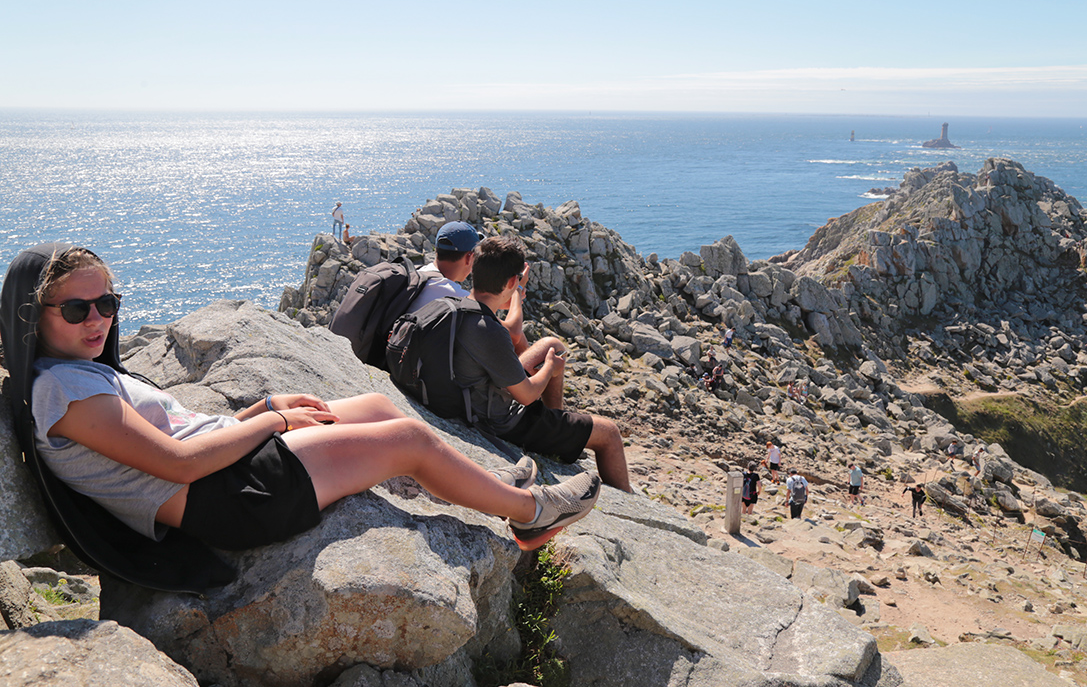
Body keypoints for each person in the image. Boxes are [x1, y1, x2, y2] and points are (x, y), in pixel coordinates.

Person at [0, 245, 601, 585]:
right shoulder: (62, 392)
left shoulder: (75, 375)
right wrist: (274, 423)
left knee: (374, 406)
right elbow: (178, 464)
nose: (97, 320)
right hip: (231, 497)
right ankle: (528, 514)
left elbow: (180, 433)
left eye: (106, 303)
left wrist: (263, 408)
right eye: (76, 309)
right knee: (408, 439)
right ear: (31, 315)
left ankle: (481, 484)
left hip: (228, 469)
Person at [433, 235, 632, 492]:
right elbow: (527, 395)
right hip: (501, 420)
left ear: (474, 269)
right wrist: (549, 368)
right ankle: (627, 497)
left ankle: (557, 429)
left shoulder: (458, 304)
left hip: (473, 393)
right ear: (512, 282)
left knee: (551, 345)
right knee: (609, 433)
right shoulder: (489, 331)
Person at [406, 221, 528, 353]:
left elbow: (481, 306)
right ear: (470, 257)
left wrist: (504, 300)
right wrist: (517, 288)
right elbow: (513, 334)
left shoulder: (421, 275)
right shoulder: (452, 296)